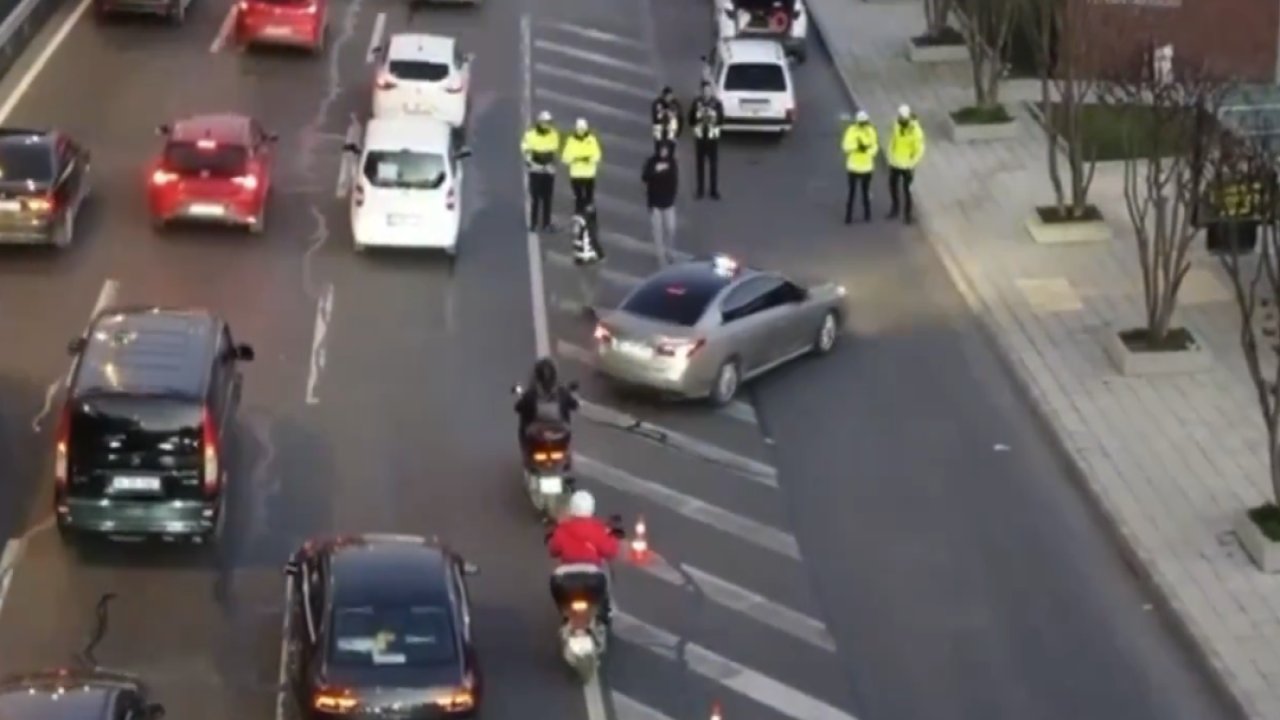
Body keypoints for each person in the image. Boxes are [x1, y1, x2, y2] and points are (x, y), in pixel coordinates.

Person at [547, 490, 620, 624]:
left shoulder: (563, 529)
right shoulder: (598, 528)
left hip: (565, 581)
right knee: (606, 570)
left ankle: (565, 613)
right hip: (593, 579)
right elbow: (610, 552)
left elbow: (553, 550)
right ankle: (608, 607)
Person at [514, 358, 578, 460]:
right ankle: (567, 458)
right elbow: (575, 406)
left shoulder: (531, 395)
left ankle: (527, 456)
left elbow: (518, 408)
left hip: (536, 432)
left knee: (524, 430)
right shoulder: (562, 393)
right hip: (560, 430)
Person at [521, 110, 561, 232]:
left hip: (548, 170)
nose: (546, 125)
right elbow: (525, 149)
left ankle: (546, 224)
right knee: (535, 199)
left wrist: (549, 163)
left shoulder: (553, 134)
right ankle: (533, 224)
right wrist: (530, 161)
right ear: (539, 122)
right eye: (544, 123)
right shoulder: (530, 135)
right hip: (536, 169)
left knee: (547, 199)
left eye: (548, 123)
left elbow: (554, 150)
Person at [886, 104, 925, 224]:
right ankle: (895, 208)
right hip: (895, 163)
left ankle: (908, 215)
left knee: (907, 190)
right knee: (892, 186)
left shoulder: (916, 131)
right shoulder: (897, 125)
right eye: (900, 117)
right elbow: (892, 141)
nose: (900, 120)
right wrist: (890, 157)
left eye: (903, 118)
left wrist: (912, 163)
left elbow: (919, 150)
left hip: (907, 166)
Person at [688, 81, 724, 200]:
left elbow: (721, 119)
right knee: (700, 165)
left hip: (712, 138)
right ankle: (700, 190)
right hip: (700, 138)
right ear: (702, 91)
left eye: (708, 90)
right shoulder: (697, 102)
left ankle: (713, 190)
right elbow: (691, 118)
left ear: (711, 91)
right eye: (704, 90)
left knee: (713, 166)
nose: (706, 92)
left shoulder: (717, 103)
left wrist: (713, 119)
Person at [841, 110, 878, 224]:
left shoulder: (870, 131)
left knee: (865, 192)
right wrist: (856, 147)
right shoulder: (852, 131)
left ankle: (867, 214)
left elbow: (875, 147)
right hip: (853, 167)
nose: (863, 124)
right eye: (861, 122)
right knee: (852, 192)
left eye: (864, 122)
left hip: (866, 167)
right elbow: (845, 146)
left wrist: (867, 150)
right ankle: (848, 216)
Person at [642, 142, 678, 252]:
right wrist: (655, 170)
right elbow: (645, 177)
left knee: (671, 228)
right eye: (662, 150)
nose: (664, 152)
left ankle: (669, 249)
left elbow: (675, 180)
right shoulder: (651, 162)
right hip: (655, 202)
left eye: (666, 150)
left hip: (668, 203)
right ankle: (660, 255)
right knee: (657, 231)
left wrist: (673, 195)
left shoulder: (672, 163)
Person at [571, 203, 606, 316]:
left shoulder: (577, 223)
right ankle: (590, 305)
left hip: (579, 257)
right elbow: (593, 240)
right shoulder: (590, 224)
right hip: (590, 258)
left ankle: (586, 304)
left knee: (584, 282)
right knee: (593, 283)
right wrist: (602, 256)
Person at [561, 118, 602, 214]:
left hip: (589, 175)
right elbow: (565, 158)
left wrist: (588, 159)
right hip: (576, 175)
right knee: (578, 199)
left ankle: (590, 222)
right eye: (579, 129)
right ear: (576, 129)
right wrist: (574, 160)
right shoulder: (571, 141)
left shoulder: (592, 140)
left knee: (589, 200)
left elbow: (597, 156)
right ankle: (578, 220)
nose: (581, 131)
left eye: (583, 129)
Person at [651, 86, 682, 152]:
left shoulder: (676, 105)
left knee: (670, 153)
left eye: (670, 96)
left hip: (671, 133)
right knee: (659, 152)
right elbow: (655, 119)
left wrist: (677, 135)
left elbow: (680, 120)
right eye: (666, 97)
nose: (668, 98)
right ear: (663, 96)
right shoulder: (657, 103)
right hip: (660, 132)